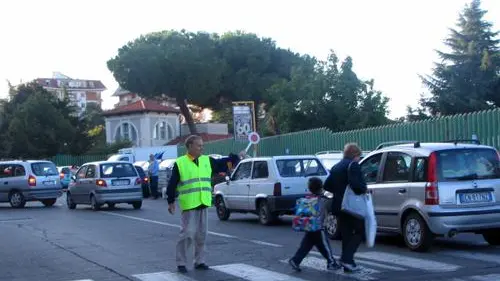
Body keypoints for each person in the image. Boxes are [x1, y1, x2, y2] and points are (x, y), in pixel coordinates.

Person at [166, 135, 243, 273]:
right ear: (189, 146)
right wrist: (170, 201)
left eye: (202, 145)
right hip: (189, 204)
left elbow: (223, 163)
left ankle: (200, 261)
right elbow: (172, 183)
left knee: (201, 234)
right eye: (199, 145)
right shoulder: (181, 163)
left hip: (203, 202)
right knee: (187, 234)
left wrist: (236, 157)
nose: (202, 148)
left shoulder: (207, 160)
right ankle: (181, 263)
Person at [323, 143, 368, 273]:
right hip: (351, 206)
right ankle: (347, 259)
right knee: (360, 230)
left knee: (346, 234)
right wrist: (364, 189)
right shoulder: (353, 165)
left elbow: (327, 185)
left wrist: (339, 192)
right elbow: (356, 185)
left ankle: (348, 263)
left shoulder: (336, 167)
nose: (359, 159)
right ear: (355, 155)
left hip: (339, 205)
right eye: (359, 156)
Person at [288, 177, 341, 272]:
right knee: (324, 245)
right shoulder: (325, 196)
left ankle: (296, 260)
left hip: (310, 224)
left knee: (307, 244)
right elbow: (333, 198)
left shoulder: (310, 197)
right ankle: (331, 262)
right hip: (318, 225)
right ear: (321, 186)